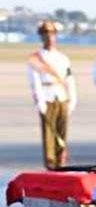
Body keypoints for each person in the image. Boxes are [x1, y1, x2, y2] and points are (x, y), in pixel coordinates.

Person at [27, 20, 76, 169]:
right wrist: (39, 100)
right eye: (45, 34)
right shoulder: (35, 58)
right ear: (41, 37)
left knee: (62, 132)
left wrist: (72, 98)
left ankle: (61, 162)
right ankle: (50, 164)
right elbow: (35, 82)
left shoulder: (63, 58)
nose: (49, 37)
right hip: (46, 96)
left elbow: (69, 79)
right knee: (49, 133)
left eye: (52, 34)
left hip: (61, 96)